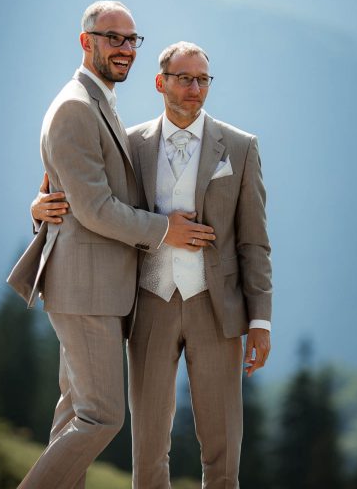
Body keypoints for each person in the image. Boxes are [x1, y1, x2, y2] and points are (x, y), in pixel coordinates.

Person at [32, 41, 273, 488]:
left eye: (203, 80)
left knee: (223, 451)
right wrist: (39, 207)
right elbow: (88, 200)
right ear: (161, 83)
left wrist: (260, 320)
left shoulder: (241, 148)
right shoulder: (131, 145)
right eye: (184, 79)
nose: (195, 89)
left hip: (217, 309)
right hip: (148, 304)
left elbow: (254, 242)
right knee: (147, 449)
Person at [7, 2, 212, 489]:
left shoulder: (98, 101)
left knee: (74, 415)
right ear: (86, 41)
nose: (125, 48)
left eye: (131, 39)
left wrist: (39, 206)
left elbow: (70, 192)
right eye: (112, 37)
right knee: (102, 417)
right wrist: (165, 230)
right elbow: (95, 208)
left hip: (97, 288)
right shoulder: (75, 107)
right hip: (85, 291)